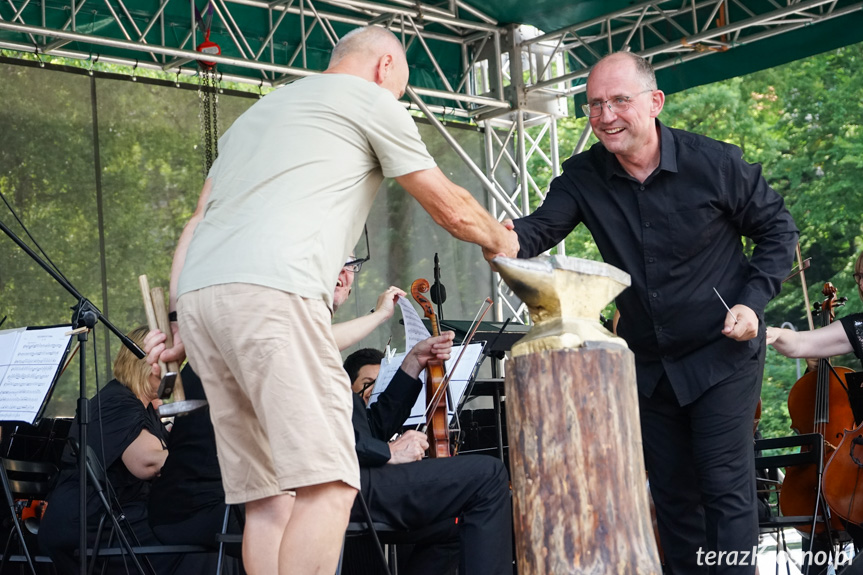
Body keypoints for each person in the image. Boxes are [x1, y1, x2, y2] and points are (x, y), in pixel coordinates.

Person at [167, 24, 518, 575]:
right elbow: (449, 208)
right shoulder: (370, 100)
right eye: (400, 85)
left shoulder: (256, 116)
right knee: (332, 482)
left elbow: (196, 220)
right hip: (274, 292)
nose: (397, 96)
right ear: (384, 67)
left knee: (268, 497)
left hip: (202, 300)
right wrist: (504, 241)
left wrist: (177, 316)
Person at [500, 51, 799, 573]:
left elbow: (779, 231)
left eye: (619, 100)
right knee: (674, 499)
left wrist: (753, 302)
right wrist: (496, 235)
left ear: (654, 102)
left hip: (722, 355)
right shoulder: (582, 176)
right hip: (650, 367)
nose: (607, 114)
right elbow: (537, 230)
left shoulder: (716, 163)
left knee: (726, 490)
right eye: (595, 104)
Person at [333, 266, 513, 575]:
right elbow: (315, 434)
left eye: (352, 266)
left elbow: (373, 427)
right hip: (341, 481)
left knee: (455, 520)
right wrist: (389, 453)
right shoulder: (302, 335)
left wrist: (414, 362)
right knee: (488, 476)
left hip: (353, 474)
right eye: (342, 264)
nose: (346, 276)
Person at [38, 326, 186, 574]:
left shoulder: (143, 404)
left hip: (117, 514)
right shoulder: (116, 401)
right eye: (168, 364)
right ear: (146, 364)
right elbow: (148, 462)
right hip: (91, 521)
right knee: (193, 541)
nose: (174, 372)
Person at [767, 250, 863, 366]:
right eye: (860, 276)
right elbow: (800, 343)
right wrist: (775, 333)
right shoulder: (858, 326)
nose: (861, 283)